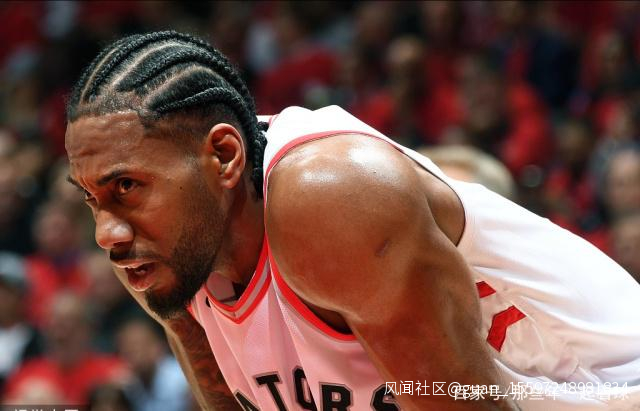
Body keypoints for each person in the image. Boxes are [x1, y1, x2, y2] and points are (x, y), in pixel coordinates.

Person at [63, 31, 640, 411]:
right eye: (91, 198)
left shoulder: (328, 195)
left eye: (126, 187)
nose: (107, 233)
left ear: (224, 156)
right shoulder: (168, 253)